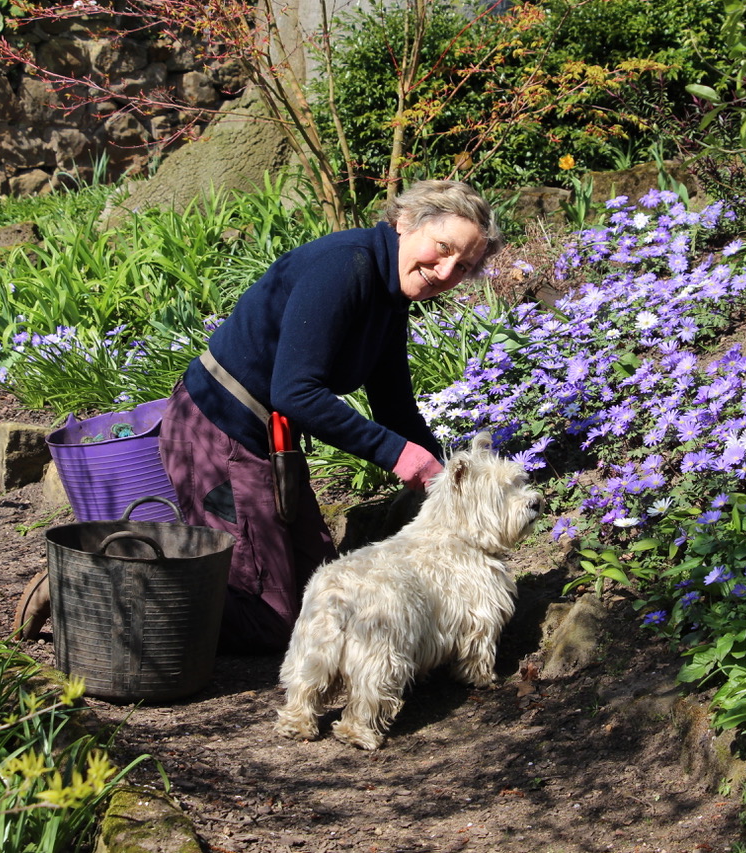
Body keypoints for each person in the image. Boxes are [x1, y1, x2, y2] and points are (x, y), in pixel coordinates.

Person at [158, 180, 505, 654]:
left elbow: (393, 404)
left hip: (270, 441)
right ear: (405, 223)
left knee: (321, 593)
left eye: (462, 266)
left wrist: (452, 476)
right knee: (275, 619)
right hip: (217, 432)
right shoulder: (346, 265)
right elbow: (296, 392)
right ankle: (121, 574)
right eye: (442, 248)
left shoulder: (390, 291)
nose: (445, 270)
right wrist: (400, 457)